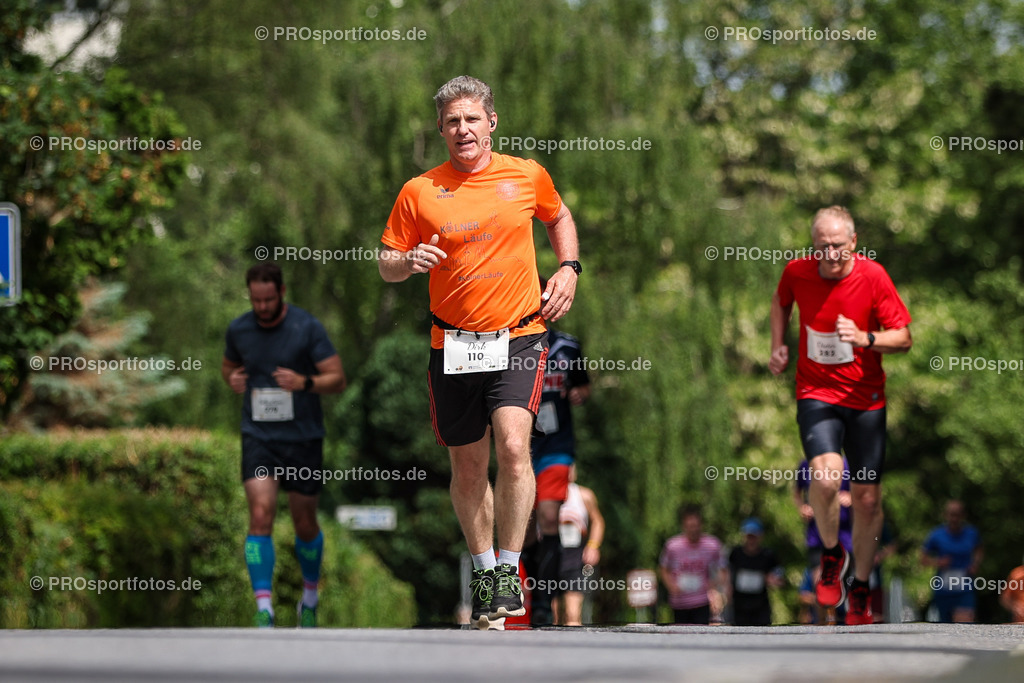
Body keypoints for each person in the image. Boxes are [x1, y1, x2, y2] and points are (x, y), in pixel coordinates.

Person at [377, 75, 581, 630]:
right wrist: (408, 261)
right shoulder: (419, 190)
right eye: (451, 122)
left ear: (492, 122)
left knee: (515, 446)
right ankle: (485, 567)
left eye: (471, 118)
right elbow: (386, 262)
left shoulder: (525, 174)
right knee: (468, 467)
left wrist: (568, 267)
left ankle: (509, 569)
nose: (462, 129)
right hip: (453, 344)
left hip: (519, 333)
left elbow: (559, 216)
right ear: (441, 129)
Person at [769, 205, 912, 625]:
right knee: (826, 478)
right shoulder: (798, 272)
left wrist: (866, 337)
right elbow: (780, 304)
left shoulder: (873, 276)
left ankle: (862, 587)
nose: (829, 254)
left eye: (837, 246)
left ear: (853, 242)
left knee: (867, 499)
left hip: (866, 399)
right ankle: (833, 553)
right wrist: (778, 345)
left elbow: (903, 338)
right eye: (821, 246)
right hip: (816, 392)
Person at [222, 263, 346, 627]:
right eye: (255, 300)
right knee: (260, 516)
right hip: (259, 435)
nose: (261, 307)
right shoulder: (239, 329)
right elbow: (228, 368)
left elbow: (337, 379)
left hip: (303, 438)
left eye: (268, 299)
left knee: (304, 521)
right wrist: (232, 379)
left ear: (282, 292)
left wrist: (304, 382)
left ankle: (309, 597)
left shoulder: (306, 328)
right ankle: (264, 608)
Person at [525, 296, 591, 625]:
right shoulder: (509, 347)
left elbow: (583, 387)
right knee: (522, 527)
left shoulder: (567, 348)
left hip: (556, 446)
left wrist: (580, 394)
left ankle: (542, 602)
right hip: (520, 449)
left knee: (549, 517)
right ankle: (527, 594)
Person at [552, 464, 605, 626]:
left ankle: (573, 647)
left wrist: (593, 545)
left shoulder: (583, 495)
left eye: (571, 466)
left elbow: (598, 521)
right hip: (551, 556)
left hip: (575, 557)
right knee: (551, 615)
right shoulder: (545, 495)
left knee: (572, 614)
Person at [659, 504, 727, 625]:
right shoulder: (673, 546)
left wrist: (714, 586)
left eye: (696, 526)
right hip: (679, 601)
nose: (693, 530)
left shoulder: (712, 545)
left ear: (701, 525)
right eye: (690, 526)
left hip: (702, 600)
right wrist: (671, 586)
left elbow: (723, 569)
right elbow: (664, 568)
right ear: (684, 526)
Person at [921, 499, 983, 623]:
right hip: (943, 588)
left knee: (964, 625)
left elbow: (979, 550)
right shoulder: (936, 535)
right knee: (946, 628)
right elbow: (923, 559)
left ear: (963, 516)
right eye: (951, 515)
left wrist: (975, 564)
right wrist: (938, 562)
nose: (954, 518)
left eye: (957, 515)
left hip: (964, 587)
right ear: (945, 515)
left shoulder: (971, 533)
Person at [793, 457, 853, 568]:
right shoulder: (805, 465)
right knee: (819, 578)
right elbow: (797, 493)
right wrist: (802, 507)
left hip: (844, 536)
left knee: (843, 578)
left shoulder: (847, 464)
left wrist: (851, 498)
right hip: (816, 535)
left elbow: (864, 493)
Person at [727, 518, 784, 626]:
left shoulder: (768, 555)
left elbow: (779, 575)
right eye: (749, 536)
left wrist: (772, 579)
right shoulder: (735, 553)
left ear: (760, 537)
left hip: (760, 605)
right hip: (739, 605)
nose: (751, 540)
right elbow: (726, 572)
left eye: (754, 537)